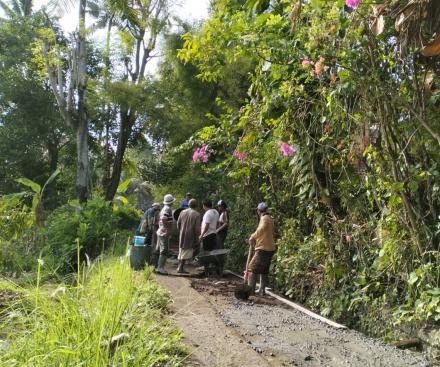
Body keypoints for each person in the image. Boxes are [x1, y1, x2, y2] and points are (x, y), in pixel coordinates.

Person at [246, 202, 276, 296]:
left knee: (252, 268)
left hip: (263, 248)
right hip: (270, 248)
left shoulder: (264, 218)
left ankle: (250, 290)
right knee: (264, 270)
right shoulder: (269, 218)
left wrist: (252, 237)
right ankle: (262, 290)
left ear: (258, 211)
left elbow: (261, 229)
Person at [176, 198, 201, 274]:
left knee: (181, 250)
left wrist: (181, 231)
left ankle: (179, 267)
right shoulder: (197, 214)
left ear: (188, 205)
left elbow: (178, 224)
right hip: (190, 236)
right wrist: (198, 238)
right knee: (186, 252)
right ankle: (180, 268)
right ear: (196, 205)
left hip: (182, 234)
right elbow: (197, 229)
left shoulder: (182, 212)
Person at [155, 194, 175, 274]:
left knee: (159, 250)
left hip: (160, 231)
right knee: (164, 250)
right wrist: (167, 230)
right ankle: (160, 267)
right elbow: (164, 219)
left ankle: (156, 266)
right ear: (171, 202)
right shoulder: (167, 209)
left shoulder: (164, 208)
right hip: (163, 232)